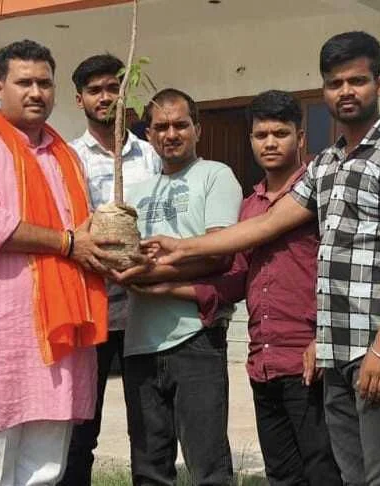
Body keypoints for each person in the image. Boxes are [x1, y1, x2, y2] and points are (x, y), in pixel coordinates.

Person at [145, 32, 380, 486]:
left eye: (357, 81)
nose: (345, 91)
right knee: (352, 477)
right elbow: (266, 224)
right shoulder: (327, 165)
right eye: (335, 83)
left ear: (379, 85)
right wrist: (180, 247)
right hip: (338, 350)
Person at [135, 90, 342, 486]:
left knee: (324, 472)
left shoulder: (322, 194)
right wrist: (163, 289)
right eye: (261, 135)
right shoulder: (250, 207)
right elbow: (233, 282)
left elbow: (339, 270)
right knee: (282, 475)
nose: (269, 143)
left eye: (280, 134)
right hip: (264, 361)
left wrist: (324, 335)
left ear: (300, 138)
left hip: (310, 359)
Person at [0, 40, 113, 485]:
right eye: (24, 83)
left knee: (47, 466)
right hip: (1, 333)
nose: (36, 92)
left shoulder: (66, 156)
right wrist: (68, 243)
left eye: (44, 83)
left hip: (60, 332)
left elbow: (82, 230)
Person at [112, 88, 243, 485]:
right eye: (161, 127)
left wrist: (148, 274)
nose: (171, 134)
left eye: (180, 125)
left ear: (198, 129)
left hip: (196, 338)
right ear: (149, 134)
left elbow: (218, 254)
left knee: (208, 468)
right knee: (149, 469)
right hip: (139, 344)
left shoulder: (215, 176)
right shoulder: (135, 193)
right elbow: (120, 258)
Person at [60, 53, 161, 485]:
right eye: (94, 90)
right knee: (81, 424)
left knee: (149, 423)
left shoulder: (149, 155)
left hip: (143, 301)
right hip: (90, 300)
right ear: (79, 99)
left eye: (113, 88)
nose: (105, 97)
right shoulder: (68, 157)